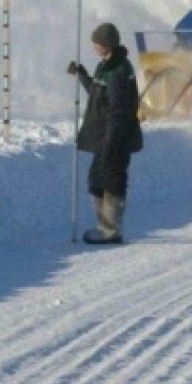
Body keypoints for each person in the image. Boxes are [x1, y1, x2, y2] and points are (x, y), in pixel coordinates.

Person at [67, 22, 143, 245]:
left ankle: (111, 231)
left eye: (96, 44)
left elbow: (118, 110)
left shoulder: (118, 71)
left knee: (111, 180)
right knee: (97, 180)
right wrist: (82, 75)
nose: (94, 47)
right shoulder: (107, 66)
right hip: (104, 137)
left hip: (114, 139)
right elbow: (97, 94)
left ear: (106, 45)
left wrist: (111, 141)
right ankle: (104, 227)